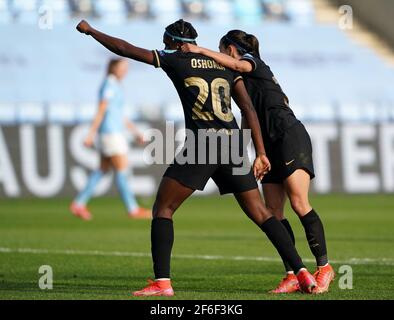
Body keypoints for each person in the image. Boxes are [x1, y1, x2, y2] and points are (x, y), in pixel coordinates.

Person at [76, 19, 317, 296]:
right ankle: (301, 272)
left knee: (163, 209)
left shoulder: (177, 58)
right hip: (233, 146)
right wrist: (258, 152)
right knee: (262, 214)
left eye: (167, 42)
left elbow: (125, 48)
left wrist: (92, 31)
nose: (165, 47)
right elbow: (248, 108)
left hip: (203, 144)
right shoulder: (224, 64)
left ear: (176, 42)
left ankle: (162, 283)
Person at [181, 30, 335, 294]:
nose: (219, 55)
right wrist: (246, 153)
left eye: (221, 50)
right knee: (274, 212)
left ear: (230, 48)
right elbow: (247, 116)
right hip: (269, 144)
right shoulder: (240, 79)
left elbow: (239, 64)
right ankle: (292, 274)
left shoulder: (253, 62)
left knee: (299, 203)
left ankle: (325, 268)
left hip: (289, 136)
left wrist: (199, 50)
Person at [70, 58, 151, 220]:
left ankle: (78, 204)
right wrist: (91, 133)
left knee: (102, 169)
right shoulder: (109, 85)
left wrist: (135, 132)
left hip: (111, 132)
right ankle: (132, 208)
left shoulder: (115, 85)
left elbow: (119, 114)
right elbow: (101, 110)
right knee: (122, 169)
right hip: (110, 133)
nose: (125, 71)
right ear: (114, 68)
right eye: (123, 68)